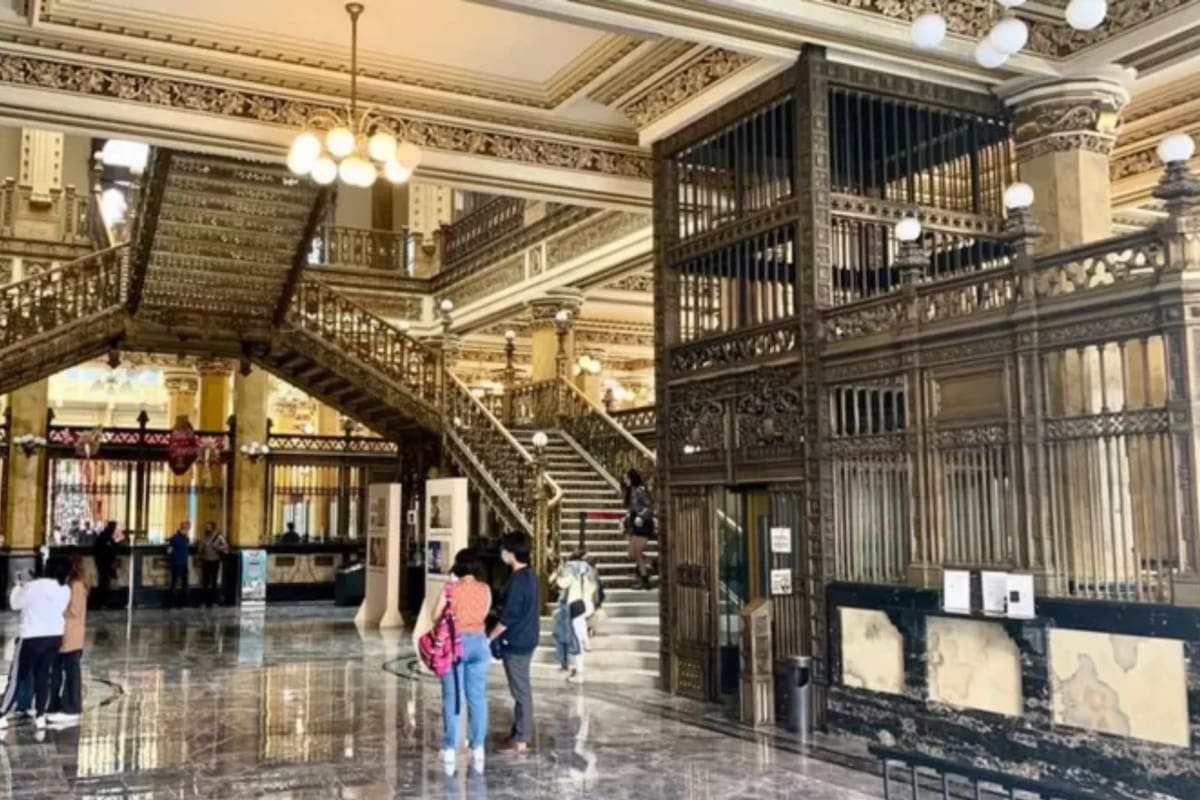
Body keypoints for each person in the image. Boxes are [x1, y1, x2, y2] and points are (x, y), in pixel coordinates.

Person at [434, 549, 493, 772]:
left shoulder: (450, 589)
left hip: (454, 645)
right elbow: (484, 614)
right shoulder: (485, 589)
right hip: (479, 643)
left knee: (453, 697)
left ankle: (450, 749)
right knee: (477, 697)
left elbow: (435, 615)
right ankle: (478, 748)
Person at [0, 558, 71, 730]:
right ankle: (40, 715)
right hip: (54, 637)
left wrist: (18, 586)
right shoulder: (65, 589)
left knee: (18, 677)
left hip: (31, 637)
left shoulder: (32, 587)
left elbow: (15, 604)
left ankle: (2, 713)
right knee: (43, 676)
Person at [488, 531, 539, 754]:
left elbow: (509, 616)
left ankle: (522, 739)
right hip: (527, 637)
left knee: (521, 692)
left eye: (504, 549)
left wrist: (491, 636)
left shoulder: (519, 581)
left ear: (511, 553)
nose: (502, 553)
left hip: (517, 640)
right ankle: (519, 732)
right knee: (521, 689)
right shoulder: (530, 576)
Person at [48, 556, 87, 725]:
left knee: (72, 673)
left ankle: (72, 707)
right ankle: (55, 704)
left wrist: (56, 610)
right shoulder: (68, 584)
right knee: (57, 671)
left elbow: (75, 610)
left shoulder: (76, 585)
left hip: (72, 636)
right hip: (63, 634)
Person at [553, 551, 598, 683]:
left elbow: (562, 583)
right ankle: (586, 641)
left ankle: (579, 671)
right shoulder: (588, 571)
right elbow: (593, 588)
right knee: (580, 630)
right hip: (587, 605)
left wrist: (558, 574)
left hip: (576, 606)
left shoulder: (572, 569)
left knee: (576, 638)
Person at [623, 469, 655, 589]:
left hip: (643, 524)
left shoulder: (640, 490)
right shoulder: (631, 491)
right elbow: (631, 508)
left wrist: (641, 516)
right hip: (634, 524)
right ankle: (652, 563)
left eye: (627, 478)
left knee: (637, 552)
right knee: (631, 553)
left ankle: (644, 579)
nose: (625, 481)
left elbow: (650, 506)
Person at [199, 522, 228, 608]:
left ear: (213, 528)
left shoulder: (218, 537)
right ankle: (204, 601)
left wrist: (218, 547)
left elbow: (226, 546)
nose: (207, 529)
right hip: (206, 561)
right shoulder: (203, 537)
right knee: (205, 583)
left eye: (209, 527)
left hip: (215, 561)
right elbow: (200, 549)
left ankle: (213, 601)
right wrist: (200, 553)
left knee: (214, 582)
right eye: (206, 527)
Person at [166, 521, 191, 608]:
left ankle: (178, 603)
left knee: (180, 583)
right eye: (187, 528)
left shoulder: (185, 538)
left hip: (182, 563)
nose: (187, 530)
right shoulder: (175, 538)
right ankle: (175, 603)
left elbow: (169, 551)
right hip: (178, 563)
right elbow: (169, 551)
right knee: (178, 583)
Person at [93, 521, 118, 608]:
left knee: (104, 581)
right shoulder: (106, 536)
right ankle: (103, 601)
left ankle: (102, 601)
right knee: (104, 582)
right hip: (104, 563)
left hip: (103, 562)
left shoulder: (105, 535)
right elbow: (111, 547)